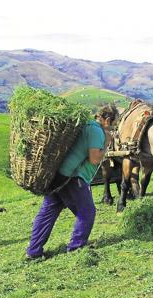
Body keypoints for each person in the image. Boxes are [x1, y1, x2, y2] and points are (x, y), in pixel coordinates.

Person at [26, 104, 119, 259]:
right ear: (107, 120)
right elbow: (95, 158)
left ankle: (33, 251)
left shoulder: (86, 125)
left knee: (48, 211)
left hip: (59, 176)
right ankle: (76, 248)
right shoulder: (96, 131)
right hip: (74, 178)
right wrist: (107, 142)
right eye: (114, 124)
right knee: (87, 212)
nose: (113, 128)